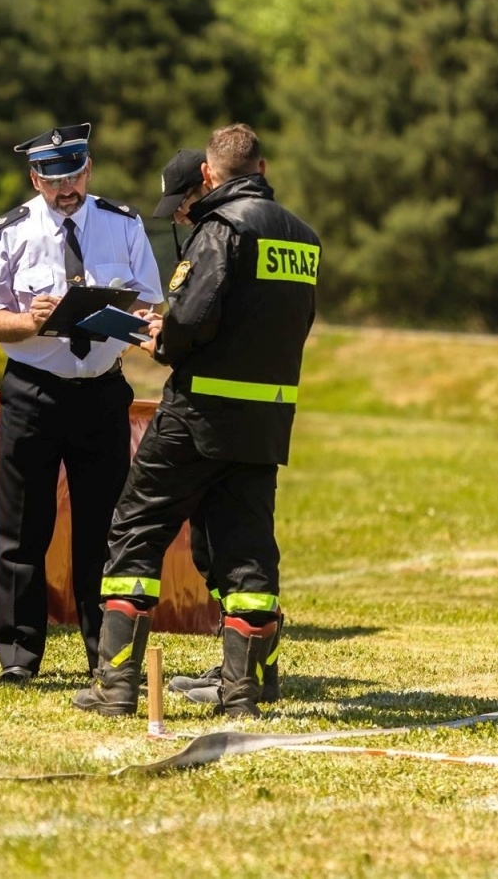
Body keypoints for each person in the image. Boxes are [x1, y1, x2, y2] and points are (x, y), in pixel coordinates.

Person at [73, 124, 321, 719]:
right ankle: (241, 693)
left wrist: (162, 336)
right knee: (248, 555)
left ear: (208, 176)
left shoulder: (221, 230)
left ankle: (116, 686)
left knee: (135, 530)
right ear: (260, 167)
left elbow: (192, 319)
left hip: (198, 413)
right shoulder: (302, 238)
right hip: (264, 419)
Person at [0, 122, 163, 684]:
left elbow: (150, 307)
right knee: (21, 529)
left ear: (88, 168)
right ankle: (19, 658)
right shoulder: (8, 232)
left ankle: (104, 653)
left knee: (103, 529)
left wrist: (112, 315)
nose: (66, 189)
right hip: (33, 390)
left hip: (101, 391)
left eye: (74, 175)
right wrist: (32, 320)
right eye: (54, 180)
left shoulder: (122, 225)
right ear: (36, 178)